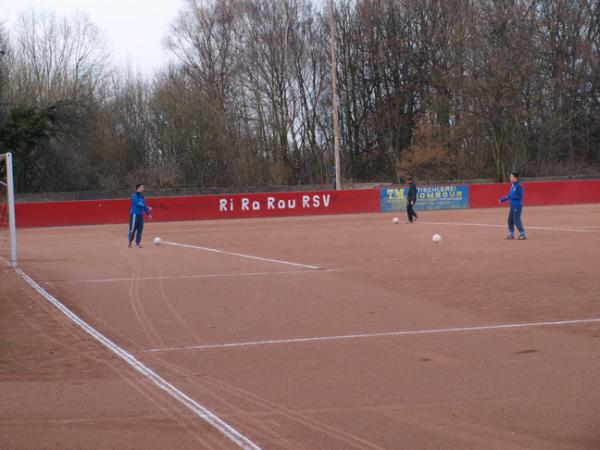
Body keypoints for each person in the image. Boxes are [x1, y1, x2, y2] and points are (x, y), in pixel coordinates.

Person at [499, 172, 527, 240]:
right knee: (510, 220)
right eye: (510, 177)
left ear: (515, 178)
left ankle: (523, 234)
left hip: (517, 205)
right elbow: (510, 194)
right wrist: (503, 199)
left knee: (516, 220)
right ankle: (511, 234)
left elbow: (518, 195)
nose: (510, 178)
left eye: (511, 177)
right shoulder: (513, 185)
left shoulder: (519, 186)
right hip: (512, 205)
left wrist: (506, 198)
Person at [128, 183, 152, 248]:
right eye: (141, 187)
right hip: (134, 214)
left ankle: (137, 243)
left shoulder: (142, 196)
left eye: (143, 187)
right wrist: (147, 207)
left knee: (140, 229)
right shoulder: (134, 196)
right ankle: (130, 241)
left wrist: (149, 213)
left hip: (140, 215)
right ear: (138, 188)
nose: (143, 188)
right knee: (132, 229)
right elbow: (139, 204)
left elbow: (145, 205)